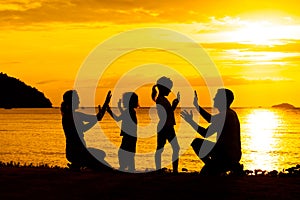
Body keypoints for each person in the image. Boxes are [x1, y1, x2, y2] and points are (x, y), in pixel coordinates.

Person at [180, 88, 242, 176]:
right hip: (234, 156)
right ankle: (222, 166)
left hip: (226, 156)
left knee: (196, 143)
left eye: (216, 97)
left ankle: (214, 165)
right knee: (204, 172)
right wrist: (191, 121)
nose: (214, 99)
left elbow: (210, 119)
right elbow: (205, 133)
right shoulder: (231, 113)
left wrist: (197, 106)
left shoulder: (226, 114)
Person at [61, 90, 112, 171]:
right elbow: (93, 121)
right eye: (77, 99)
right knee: (105, 167)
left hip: (80, 151)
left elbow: (98, 118)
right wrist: (96, 119)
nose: (79, 101)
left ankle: (77, 165)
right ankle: (78, 165)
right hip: (76, 152)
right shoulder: (69, 117)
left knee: (101, 154)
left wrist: (106, 103)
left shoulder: (76, 115)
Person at [152, 76, 180, 173]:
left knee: (161, 148)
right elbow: (165, 114)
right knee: (173, 148)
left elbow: (168, 113)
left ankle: (160, 169)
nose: (170, 90)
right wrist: (173, 106)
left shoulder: (161, 99)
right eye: (169, 88)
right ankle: (173, 170)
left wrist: (174, 105)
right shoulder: (161, 100)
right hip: (166, 127)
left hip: (166, 126)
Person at [107, 92, 139, 173]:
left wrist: (109, 111)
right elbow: (124, 117)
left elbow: (117, 118)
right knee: (130, 153)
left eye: (124, 100)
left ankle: (124, 167)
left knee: (122, 152)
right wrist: (120, 108)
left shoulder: (128, 112)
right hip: (132, 136)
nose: (123, 102)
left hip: (128, 136)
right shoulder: (131, 111)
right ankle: (131, 168)